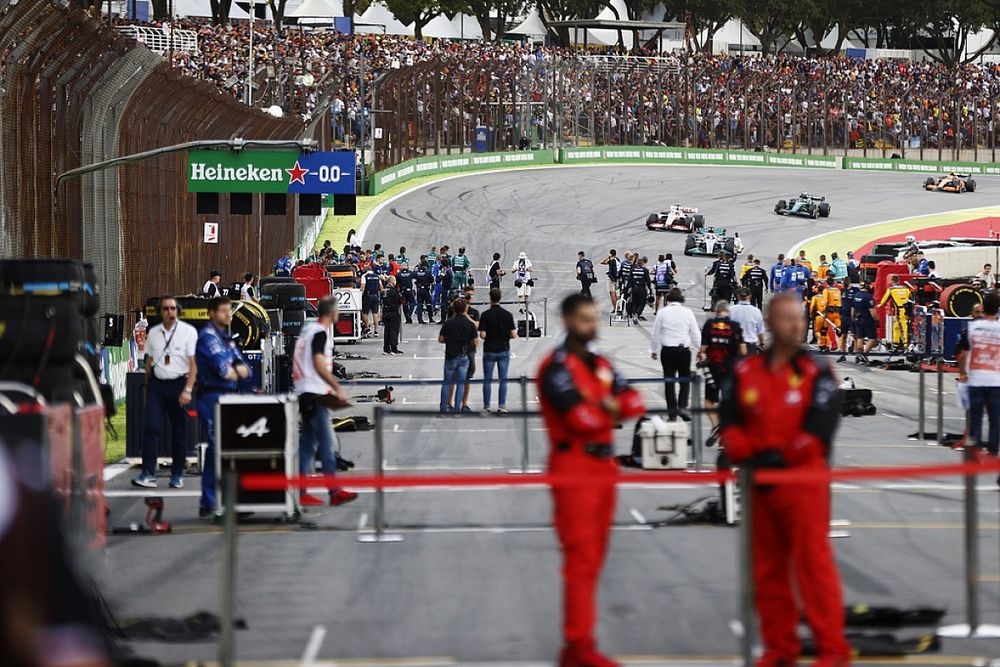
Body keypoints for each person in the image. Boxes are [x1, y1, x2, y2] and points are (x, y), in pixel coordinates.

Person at [719, 292, 850, 667]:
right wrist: (745, 451)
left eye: (800, 319)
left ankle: (832, 650)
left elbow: (822, 426)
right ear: (770, 324)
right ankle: (779, 648)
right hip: (760, 483)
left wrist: (777, 455)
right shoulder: (746, 371)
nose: (797, 326)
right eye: (788, 319)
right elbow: (729, 423)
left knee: (814, 566)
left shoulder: (816, 369)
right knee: (768, 570)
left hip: (803, 483)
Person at [537, 294, 645, 666]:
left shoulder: (600, 364)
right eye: (585, 319)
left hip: (603, 468)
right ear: (567, 320)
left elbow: (634, 402)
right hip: (574, 469)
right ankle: (578, 646)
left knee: (595, 559)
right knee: (581, 561)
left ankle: (579, 644)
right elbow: (580, 419)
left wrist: (604, 408)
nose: (592, 324)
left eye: (594, 318)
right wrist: (609, 408)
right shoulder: (556, 368)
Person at [293, 295, 358, 507]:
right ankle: (334, 490)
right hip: (315, 393)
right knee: (327, 443)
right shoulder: (320, 332)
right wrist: (337, 387)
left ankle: (302, 491)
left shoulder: (306, 331)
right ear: (332, 312)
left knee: (307, 445)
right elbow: (319, 362)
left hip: (304, 391)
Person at [133, 296, 198, 489]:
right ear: (161, 312)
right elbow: (149, 362)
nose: (169, 312)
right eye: (165, 309)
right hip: (157, 385)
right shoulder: (153, 333)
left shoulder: (188, 332)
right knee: (151, 427)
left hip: (179, 384)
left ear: (177, 311)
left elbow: (194, 365)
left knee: (179, 430)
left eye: (172, 309)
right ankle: (147, 473)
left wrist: (188, 389)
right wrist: (147, 386)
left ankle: (177, 474)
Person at [195, 297, 249, 517]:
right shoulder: (208, 338)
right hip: (211, 396)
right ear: (211, 313)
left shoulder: (227, 339)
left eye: (230, 311)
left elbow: (245, 369)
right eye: (223, 311)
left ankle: (210, 502)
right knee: (220, 448)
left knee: (220, 449)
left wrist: (235, 370)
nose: (228, 315)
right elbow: (224, 371)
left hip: (228, 395)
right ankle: (224, 502)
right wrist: (235, 370)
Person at [649, 287, 701, 421]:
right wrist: (700, 349)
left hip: (667, 351)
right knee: (685, 380)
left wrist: (654, 350)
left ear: (668, 299)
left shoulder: (662, 313)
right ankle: (683, 408)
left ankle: (672, 412)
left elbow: (655, 334)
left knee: (669, 381)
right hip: (683, 351)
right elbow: (695, 333)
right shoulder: (688, 312)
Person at [961, 291, 1000, 458]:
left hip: (976, 378)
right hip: (995, 379)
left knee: (975, 417)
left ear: (983, 307)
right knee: (995, 418)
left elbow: (963, 353)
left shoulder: (973, 327)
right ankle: (992, 451)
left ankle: (975, 449)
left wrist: (963, 373)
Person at [698, 300, 745, 435]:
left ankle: (715, 425)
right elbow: (743, 351)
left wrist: (702, 355)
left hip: (713, 369)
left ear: (716, 311)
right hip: (730, 369)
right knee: (729, 402)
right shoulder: (735, 326)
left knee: (709, 401)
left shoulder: (709, 324)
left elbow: (703, 348)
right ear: (728, 311)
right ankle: (727, 434)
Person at [479, 288, 517, 413]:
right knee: (503, 379)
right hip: (503, 348)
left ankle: (487, 406)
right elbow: (513, 334)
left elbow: (482, 335)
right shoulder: (507, 315)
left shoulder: (485, 315)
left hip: (489, 348)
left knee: (487, 379)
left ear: (490, 298)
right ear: (500, 298)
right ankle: (501, 406)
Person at [438, 298, 478, 413]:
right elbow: (475, 342)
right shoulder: (469, 324)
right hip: (463, 356)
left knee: (447, 382)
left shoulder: (448, 323)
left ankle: (444, 407)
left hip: (450, 355)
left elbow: (441, 339)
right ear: (465, 309)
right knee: (461, 382)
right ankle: (457, 408)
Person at [459, 286, 481, 412]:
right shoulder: (455, 309)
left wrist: (465, 316)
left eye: (471, 295)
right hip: (456, 348)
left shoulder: (474, 312)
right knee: (455, 377)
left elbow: (477, 326)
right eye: (467, 295)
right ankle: (451, 403)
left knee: (467, 378)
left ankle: (464, 403)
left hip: (470, 348)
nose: (469, 298)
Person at [879, 274, 912, 349]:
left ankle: (905, 345)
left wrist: (880, 305)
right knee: (897, 326)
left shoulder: (891, 290)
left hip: (898, 310)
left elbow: (884, 300)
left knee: (902, 326)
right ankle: (896, 343)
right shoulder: (906, 289)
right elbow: (911, 298)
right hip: (907, 309)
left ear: (892, 281)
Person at [730, 288, 765, 354]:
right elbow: (760, 332)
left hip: (734, 345)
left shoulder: (731, 310)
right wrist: (762, 343)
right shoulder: (756, 311)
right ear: (750, 296)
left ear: (738, 296)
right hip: (750, 346)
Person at [850, 282, 879, 362]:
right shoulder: (868, 297)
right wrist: (876, 320)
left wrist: (853, 319)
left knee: (860, 338)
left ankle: (859, 355)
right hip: (868, 319)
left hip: (858, 319)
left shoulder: (856, 295)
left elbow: (853, 309)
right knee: (873, 338)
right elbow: (872, 310)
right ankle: (865, 354)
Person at [381, 275, 404, 355]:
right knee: (394, 330)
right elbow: (402, 300)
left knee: (387, 331)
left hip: (385, 312)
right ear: (391, 281)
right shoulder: (394, 291)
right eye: (394, 281)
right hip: (393, 312)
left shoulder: (384, 291)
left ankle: (386, 348)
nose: (396, 282)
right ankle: (394, 348)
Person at [360, 263, 384, 337]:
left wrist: (360, 296)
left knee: (364, 313)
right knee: (375, 313)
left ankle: (367, 328)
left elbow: (363, 287)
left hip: (367, 296)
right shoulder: (377, 276)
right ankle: (376, 331)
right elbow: (381, 288)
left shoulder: (364, 276)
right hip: (375, 296)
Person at [626, 255, 652, 322]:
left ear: (637, 263)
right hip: (642, 288)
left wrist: (627, 288)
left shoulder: (633, 270)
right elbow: (648, 281)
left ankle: (635, 314)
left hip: (634, 288)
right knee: (642, 302)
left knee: (635, 302)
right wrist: (650, 289)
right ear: (642, 263)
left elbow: (629, 280)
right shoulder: (645, 270)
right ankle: (637, 314)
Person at [414, 256, 435, 324]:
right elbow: (432, 280)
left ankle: (420, 319)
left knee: (420, 304)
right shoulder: (428, 272)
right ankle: (431, 318)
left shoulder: (417, 272)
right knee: (428, 304)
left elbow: (414, 278)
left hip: (419, 289)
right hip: (426, 289)